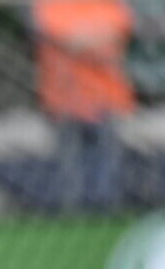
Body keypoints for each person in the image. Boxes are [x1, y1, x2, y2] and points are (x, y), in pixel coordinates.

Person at [32, 0, 137, 212]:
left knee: (107, 166)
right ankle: (72, 216)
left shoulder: (110, 5)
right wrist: (93, 39)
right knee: (69, 170)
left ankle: (105, 214)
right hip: (65, 101)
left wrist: (82, 42)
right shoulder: (52, 5)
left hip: (108, 100)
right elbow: (66, 39)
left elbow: (110, 44)